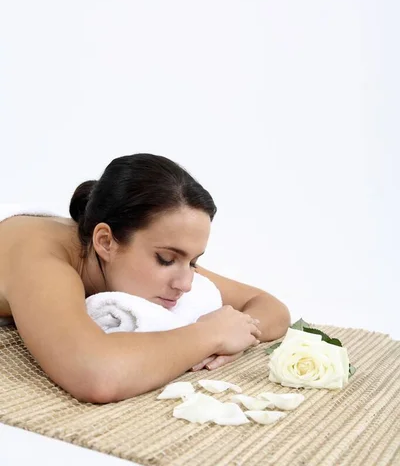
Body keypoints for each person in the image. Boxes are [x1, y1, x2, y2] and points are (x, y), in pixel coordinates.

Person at [0, 153, 290, 403]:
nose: (187, 284)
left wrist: (239, 334)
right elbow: (96, 375)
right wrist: (210, 336)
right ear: (105, 242)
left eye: (193, 261)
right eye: (166, 259)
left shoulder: (120, 252)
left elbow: (269, 306)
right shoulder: (42, 261)